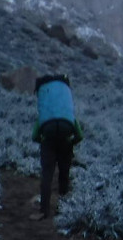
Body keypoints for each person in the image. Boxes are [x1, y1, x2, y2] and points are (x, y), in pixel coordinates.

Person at [31, 73, 84, 220]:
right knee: (64, 176)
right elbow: (80, 136)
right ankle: (62, 210)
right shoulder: (68, 116)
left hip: (48, 142)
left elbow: (34, 136)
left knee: (47, 176)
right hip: (66, 142)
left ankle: (44, 211)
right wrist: (70, 142)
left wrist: (44, 141)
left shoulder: (45, 116)